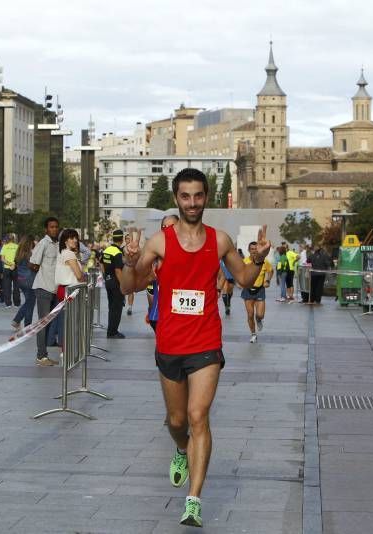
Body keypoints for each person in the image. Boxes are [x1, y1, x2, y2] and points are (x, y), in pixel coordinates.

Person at [118, 168, 271, 527]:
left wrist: (259, 257)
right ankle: (180, 448)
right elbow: (130, 286)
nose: (192, 202)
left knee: (198, 416)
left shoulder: (219, 241)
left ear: (206, 198)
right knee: (177, 421)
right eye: (185, 196)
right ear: (177, 199)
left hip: (205, 342)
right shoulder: (159, 242)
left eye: (198, 196)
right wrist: (128, 261)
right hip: (170, 343)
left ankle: (194, 499)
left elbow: (245, 279)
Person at [29, 217, 60, 365]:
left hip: (54, 288)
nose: (54, 229)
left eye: (56, 227)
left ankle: (44, 355)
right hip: (43, 288)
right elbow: (33, 263)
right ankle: (40, 356)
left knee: (48, 322)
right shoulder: (43, 243)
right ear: (46, 229)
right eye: (51, 227)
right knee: (43, 323)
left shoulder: (57, 244)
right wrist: (43, 273)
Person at [54, 229, 87, 353]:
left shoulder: (65, 252)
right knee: (71, 322)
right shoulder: (69, 254)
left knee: (68, 321)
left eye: (76, 238)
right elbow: (79, 275)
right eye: (71, 238)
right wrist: (84, 280)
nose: (75, 240)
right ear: (65, 240)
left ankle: (66, 350)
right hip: (69, 290)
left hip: (66, 289)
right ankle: (66, 351)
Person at [147, 215, 180, 331]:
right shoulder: (154, 252)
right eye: (164, 226)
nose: (167, 229)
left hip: (184, 317)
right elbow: (147, 285)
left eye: (171, 226)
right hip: (160, 316)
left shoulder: (191, 249)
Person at [241, 240, 273, 343]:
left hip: (260, 290)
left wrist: (267, 280)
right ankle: (253, 334)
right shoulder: (244, 261)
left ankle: (259, 320)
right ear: (248, 250)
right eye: (252, 249)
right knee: (250, 315)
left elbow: (271, 271)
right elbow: (239, 273)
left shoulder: (263, 261)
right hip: (248, 290)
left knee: (260, 315)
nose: (254, 251)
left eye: (256, 249)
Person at [102, 229, 126, 338]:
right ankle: (113, 332)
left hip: (108, 281)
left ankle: (110, 330)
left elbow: (101, 263)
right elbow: (118, 270)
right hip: (116, 282)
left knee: (111, 307)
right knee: (117, 308)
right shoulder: (118, 253)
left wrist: (105, 275)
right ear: (122, 239)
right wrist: (123, 285)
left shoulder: (107, 250)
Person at [11, 236, 37, 330]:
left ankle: (24, 324)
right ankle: (21, 322)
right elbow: (33, 266)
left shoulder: (19, 253)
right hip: (30, 281)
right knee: (30, 302)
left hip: (20, 279)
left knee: (28, 302)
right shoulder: (30, 254)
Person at [0, 233, 20, 306]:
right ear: (14, 239)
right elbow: (19, 258)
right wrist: (13, 264)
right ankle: (17, 303)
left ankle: (8, 303)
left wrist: (9, 264)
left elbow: (2, 259)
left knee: (7, 286)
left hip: (7, 268)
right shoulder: (17, 246)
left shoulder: (4, 246)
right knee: (16, 286)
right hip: (15, 268)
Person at [123, 232, 135, 316]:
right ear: (125, 240)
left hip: (132, 272)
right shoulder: (122, 249)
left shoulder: (135, 249)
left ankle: (130, 308)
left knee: (131, 291)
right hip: (123, 271)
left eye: (130, 239)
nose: (128, 240)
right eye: (127, 238)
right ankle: (123, 299)